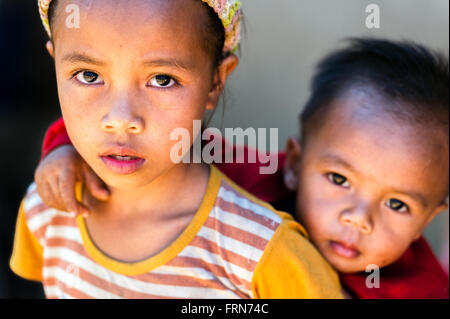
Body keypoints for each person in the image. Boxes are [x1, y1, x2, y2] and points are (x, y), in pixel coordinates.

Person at [34, 38, 449, 299]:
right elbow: (166, 144)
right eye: (339, 180)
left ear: (429, 219)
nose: (358, 219)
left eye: (397, 204)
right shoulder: (255, 177)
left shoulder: (419, 287)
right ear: (295, 164)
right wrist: (64, 148)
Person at [9, 0, 343, 299]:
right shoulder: (46, 211)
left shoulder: (260, 252)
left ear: (216, 81)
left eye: (163, 80)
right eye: (87, 74)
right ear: (55, 64)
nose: (122, 120)